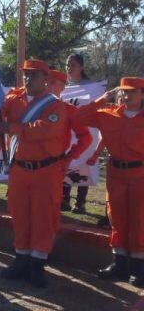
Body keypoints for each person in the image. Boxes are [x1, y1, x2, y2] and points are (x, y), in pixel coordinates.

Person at [0, 60, 72, 288]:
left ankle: (37, 264)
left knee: (42, 217)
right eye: (26, 75)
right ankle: (21, 258)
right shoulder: (14, 101)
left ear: (46, 79)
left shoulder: (55, 105)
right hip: (20, 169)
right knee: (20, 215)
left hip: (45, 170)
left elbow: (46, 129)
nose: (28, 79)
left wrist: (14, 128)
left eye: (34, 76)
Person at [74, 77, 144, 286]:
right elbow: (78, 116)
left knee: (140, 219)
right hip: (116, 173)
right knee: (116, 217)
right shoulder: (109, 114)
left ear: (142, 94)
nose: (126, 95)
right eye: (123, 91)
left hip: (140, 173)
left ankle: (139, 267)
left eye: (131, 91)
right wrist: (102, 99)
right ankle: (119, 263)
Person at [62, 53, 94, 213]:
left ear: (82, 67)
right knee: (67, 162)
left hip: (87, 132)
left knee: (83, 165)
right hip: (68, 132)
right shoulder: (64, 87)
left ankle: (80, 203)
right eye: (67, 65)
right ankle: (64, 199)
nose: (69, 68)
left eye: (73, 65)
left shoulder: (92, 87)